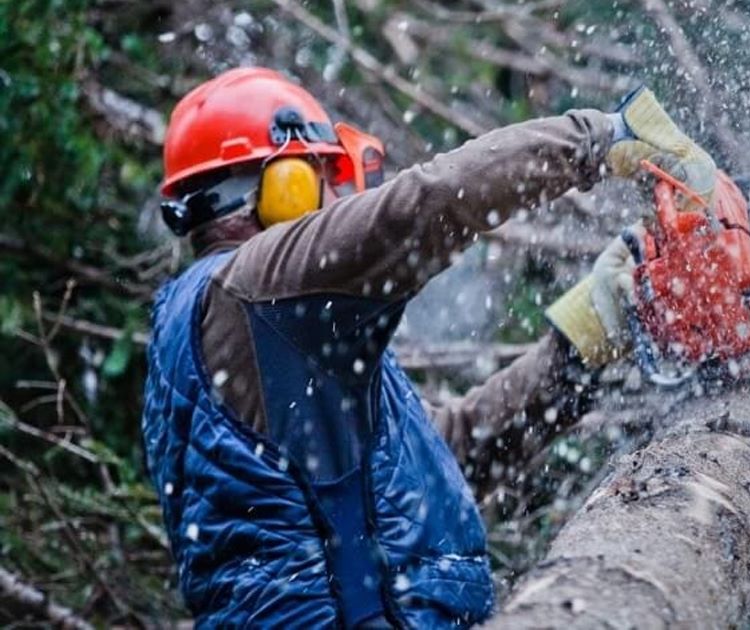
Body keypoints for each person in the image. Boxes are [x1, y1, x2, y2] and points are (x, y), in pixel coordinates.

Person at [141, 67, 715, 628]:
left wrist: (581, 342)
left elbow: (442, 461)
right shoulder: (258, 288)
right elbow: (424, 206)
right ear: (279, 187)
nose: (333, 198)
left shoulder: (258, 329)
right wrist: (602, 136)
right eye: (319, 176)